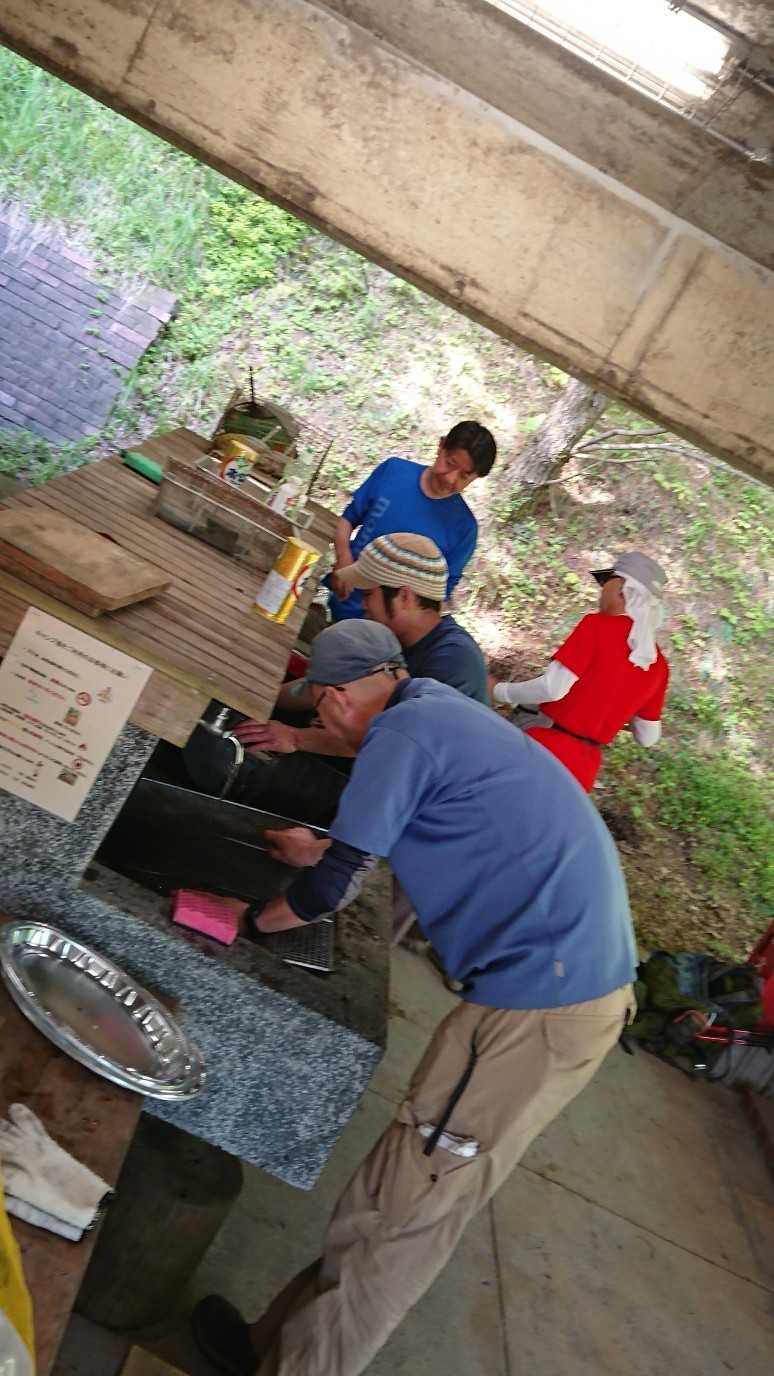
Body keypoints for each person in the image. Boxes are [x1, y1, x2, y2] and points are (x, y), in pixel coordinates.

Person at [192, 621, 637, 1376]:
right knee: (390, 1192)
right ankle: (272, 1349)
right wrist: (322, 846)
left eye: (321, 707)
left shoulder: (401, 733)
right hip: (558, 986)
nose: (325, 722)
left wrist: (249, 918)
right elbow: (422, 823)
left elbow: (327, 894)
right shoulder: (434, 708)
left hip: (541, 1007)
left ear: (335, 698)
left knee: (402, 1216)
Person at [234, 534, 489, 761]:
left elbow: (390, 743)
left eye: (368, 595)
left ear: (404, 596)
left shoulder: (453, 664)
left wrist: (294, 738)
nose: (363, 606)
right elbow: (324, 684)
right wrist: (261, 697)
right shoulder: (392, 636)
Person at [490, 551, 669, 792]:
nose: (601, 591)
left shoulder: (598, 626)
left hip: (540, 748)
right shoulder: (658, 666)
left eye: (606, 582)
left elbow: (552, 688)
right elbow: (648, 737)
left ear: (621, 587)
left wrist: (499, 691)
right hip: (583, 772)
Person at [326, 420, 497, 621]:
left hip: (383, 631)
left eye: (464, 476)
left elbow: (439, 597)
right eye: (450, 463)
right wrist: (343, 557)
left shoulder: (464, 529)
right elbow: (347, 520)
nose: (451, 479)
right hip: (340, 597)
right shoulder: (394, 472)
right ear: (441, 446)